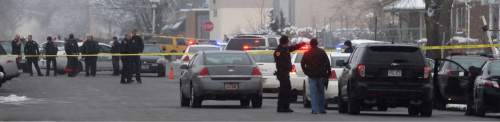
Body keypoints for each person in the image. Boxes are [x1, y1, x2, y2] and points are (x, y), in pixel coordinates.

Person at [273, 35, 306, 113]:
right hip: (282, 73)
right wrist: (287, 67)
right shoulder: (279, 51)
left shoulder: (285, 49)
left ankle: (285, 106)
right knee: (283, 91)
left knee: (287, 90)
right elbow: (280, 62)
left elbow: (293, 47)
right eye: (288, 41)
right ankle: (281, 107)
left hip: (285, 73)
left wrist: (301, 44)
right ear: (285, 42)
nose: (288, 42)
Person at [300, 38, 331, 114]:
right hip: (321, 75)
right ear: (317, 44)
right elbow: (327, 63)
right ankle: (322, 109)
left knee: (313, 94)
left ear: (310, 44)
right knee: (321, 92)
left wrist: (306, 72)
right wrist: (328, 73)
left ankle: (314, 109)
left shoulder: (307, 53)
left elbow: (302, 63)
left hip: (312, 75)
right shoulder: (322, 52)